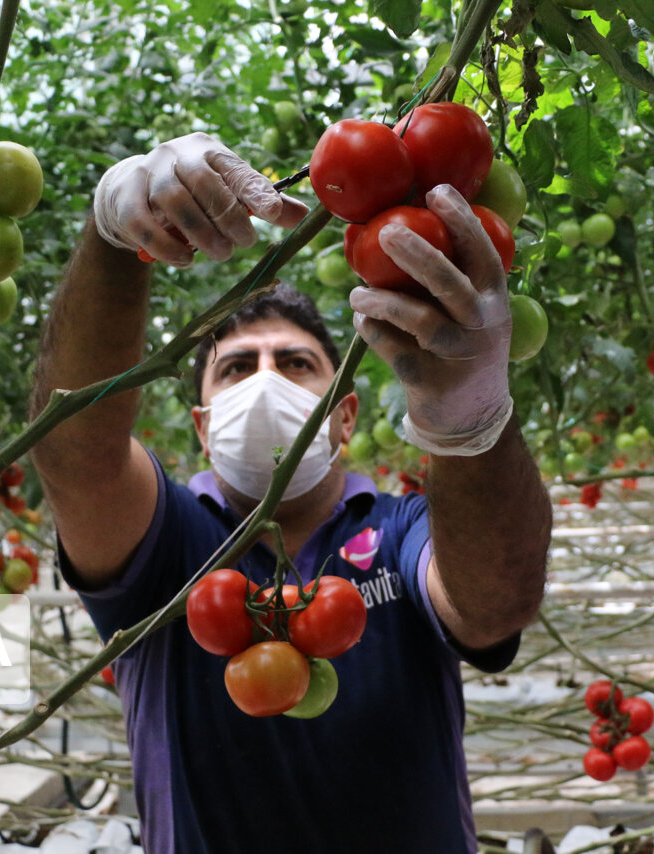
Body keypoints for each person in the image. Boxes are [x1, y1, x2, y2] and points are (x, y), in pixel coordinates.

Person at [29, 131, 552, 854]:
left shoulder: (402, 532)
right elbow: (73, 455)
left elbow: (494, 603)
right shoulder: (169, 542)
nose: (267, 381)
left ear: (344, 415)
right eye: (237, 368)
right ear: (203, 428)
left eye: (297, 364)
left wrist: (473, 427)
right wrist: (120, 236)